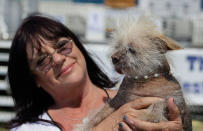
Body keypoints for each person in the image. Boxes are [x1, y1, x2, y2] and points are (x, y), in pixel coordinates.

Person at [8, 14, 184, 131]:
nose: (58, 59)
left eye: (62, 46)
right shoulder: (30, 128)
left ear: (77, 46)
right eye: (42, 60)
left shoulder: (139, 98)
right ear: (33, 79)